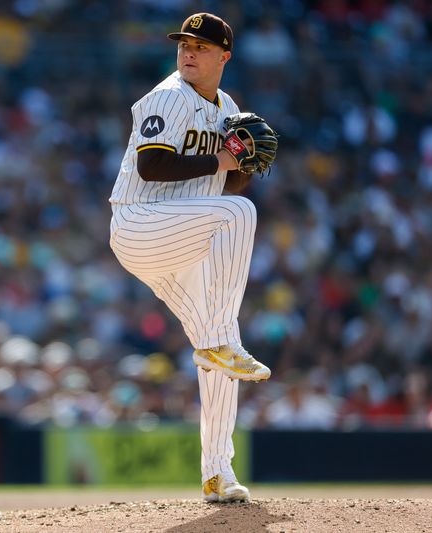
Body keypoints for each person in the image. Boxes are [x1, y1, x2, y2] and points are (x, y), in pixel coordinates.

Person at [109, 12, 272, 503]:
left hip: (183, 240)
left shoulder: (227, 107)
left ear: (224, 56)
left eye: (201, 46)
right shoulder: (168, 96)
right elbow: (151, 164)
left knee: (218, 346)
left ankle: (218, 473)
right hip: (140, 222)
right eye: (184, 44)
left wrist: (243, 162)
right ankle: (219, 339)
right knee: (238, 215)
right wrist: (223, 160)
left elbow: (226, 183)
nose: (189, 52)